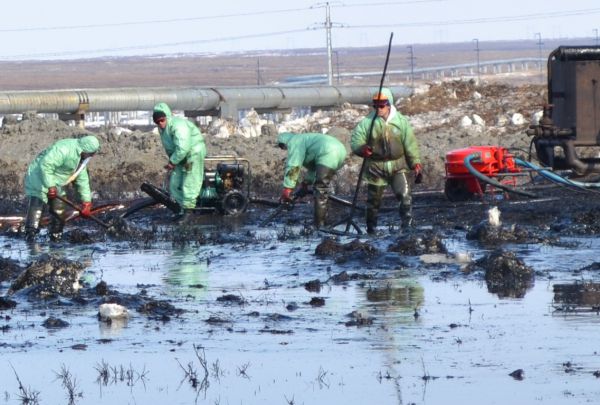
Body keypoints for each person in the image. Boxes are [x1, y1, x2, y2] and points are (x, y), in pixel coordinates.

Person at [351, 88, 422, 234]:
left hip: (397, 167)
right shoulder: (367, 123)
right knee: (373, 202)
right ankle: (371, 229)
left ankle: (407, 227)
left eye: (381, 105)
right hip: (375, 168)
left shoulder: (401, 122)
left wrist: (415, 163)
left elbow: (410, 144)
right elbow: (356, 141)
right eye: (375, 105)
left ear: (389, 105)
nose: (378, 108)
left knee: (404, 196)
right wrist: (362, 149)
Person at [23, 135, 101, 242]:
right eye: (92, 153)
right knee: (37, 205)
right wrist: (51, 186)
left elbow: (82, 179)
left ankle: (55, 237)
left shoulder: (82, 158)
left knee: (59, 211)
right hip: (39, 176)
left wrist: (86, 202)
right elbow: (45, 165)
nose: (93, 156)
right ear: (85, 150)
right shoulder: (64, 149)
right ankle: (30, 237)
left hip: (58, 182)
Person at [277, 132, 347, 229]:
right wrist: (306, 183)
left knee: (320, 189)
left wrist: (287, 189)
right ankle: (323, 220)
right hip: (340, 151)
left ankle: (319, 227)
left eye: (283, 147)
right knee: (322, 189)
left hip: (328, 151)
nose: (285, 149)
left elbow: (294, 165)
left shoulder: (295, 141)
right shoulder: (305, 140)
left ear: (284, 142)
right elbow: (315, 169)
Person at [153, 102, 206, 222]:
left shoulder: (178, 126)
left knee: (189, 181)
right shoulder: (163, 129)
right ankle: (181, 209)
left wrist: (172, 162)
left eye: (162, 120)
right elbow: (172, 147)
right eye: (157, 122)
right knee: (175, 183)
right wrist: (173, 161)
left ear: (167, 116)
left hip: (192, 154)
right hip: (180, 158)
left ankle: (189, 211)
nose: (160, 124)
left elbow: (183, 147)